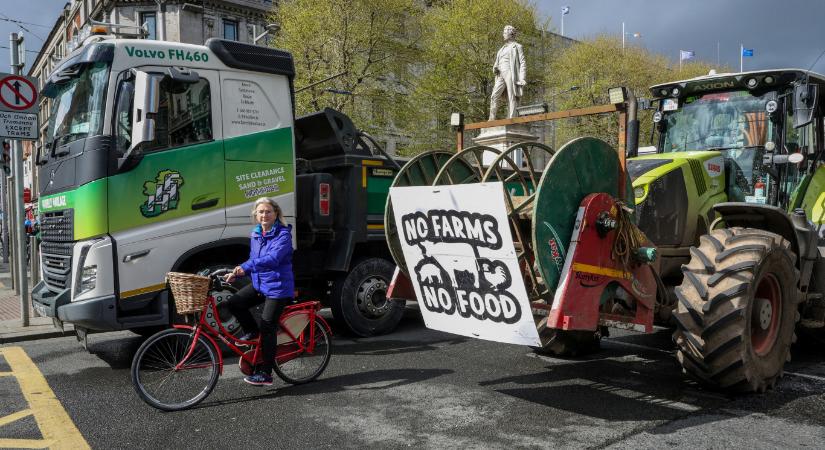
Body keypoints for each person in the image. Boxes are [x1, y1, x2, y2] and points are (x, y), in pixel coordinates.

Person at [225, 197, 294, 386]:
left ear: (276, 213)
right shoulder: (256, 234)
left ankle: (266, 373)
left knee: (268, 326)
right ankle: (251, 332)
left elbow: (272, 259)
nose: (264, 215)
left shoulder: (283, 235)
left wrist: (244, 268)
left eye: (268, 211)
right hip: (260, 284)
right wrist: (236, 274)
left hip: (278, 288)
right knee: (234, 302)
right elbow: (253, 260)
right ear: (256, 214)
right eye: (261, 212)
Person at [489, 25, 527, 121]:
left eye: (505, 33)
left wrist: (522, 78)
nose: (503, 35)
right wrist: (495, 67)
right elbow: (497, 62)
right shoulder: (501, 49)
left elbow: (522, 62)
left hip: (510, 72)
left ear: (511, 34)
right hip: (500, 74)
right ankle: (492, 118)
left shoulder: (517, 46)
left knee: (512, 95)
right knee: (494, 95)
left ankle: (511, 117)